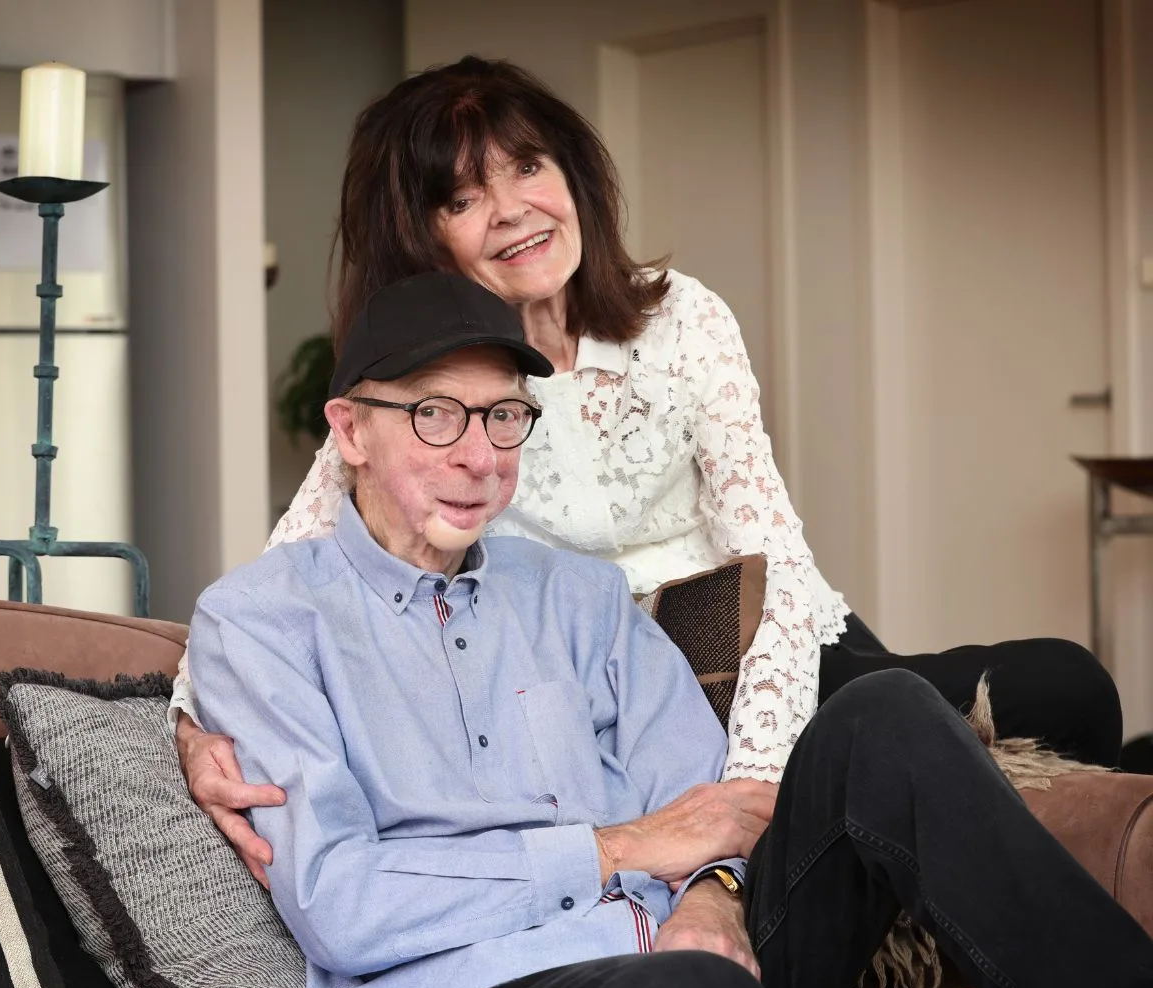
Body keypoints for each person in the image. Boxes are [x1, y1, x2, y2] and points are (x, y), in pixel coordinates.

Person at [174, 54, 1121, 884]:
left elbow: (775, 560)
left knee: (1069, 686)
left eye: (529, 168)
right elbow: (279, 578)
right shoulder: (418, 396)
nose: (513, 212)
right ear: (423, 238)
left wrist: (752, 778)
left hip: (767, 649)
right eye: (463, 199)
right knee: (903, 752)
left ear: (572, 173)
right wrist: (188, 726)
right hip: (623, 698)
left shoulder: (684, 319)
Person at [186, 272, 1153, 988]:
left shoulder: (580, 597)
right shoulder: (262, 623)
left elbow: (710, 813)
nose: (478, 457)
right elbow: (345, 905)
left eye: (503, 416)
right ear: (349, 431)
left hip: (698, 949)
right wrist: (622, 847)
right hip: (490, 979)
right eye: (435, 415)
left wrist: (714, 893)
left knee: (885, 714)